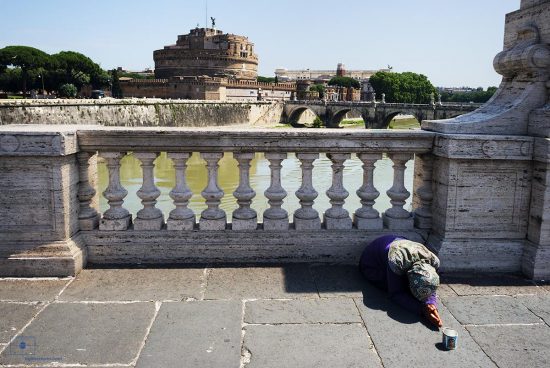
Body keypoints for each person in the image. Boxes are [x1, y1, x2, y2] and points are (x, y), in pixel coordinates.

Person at [359, 235, 443, 327]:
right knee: (394, 286)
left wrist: (431, 303)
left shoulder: (434, 261)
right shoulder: (396, 263)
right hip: (372, 262)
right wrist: (422, 310)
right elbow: (395, 293)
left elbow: (431, 284)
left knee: (423, 284)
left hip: (398, 243)